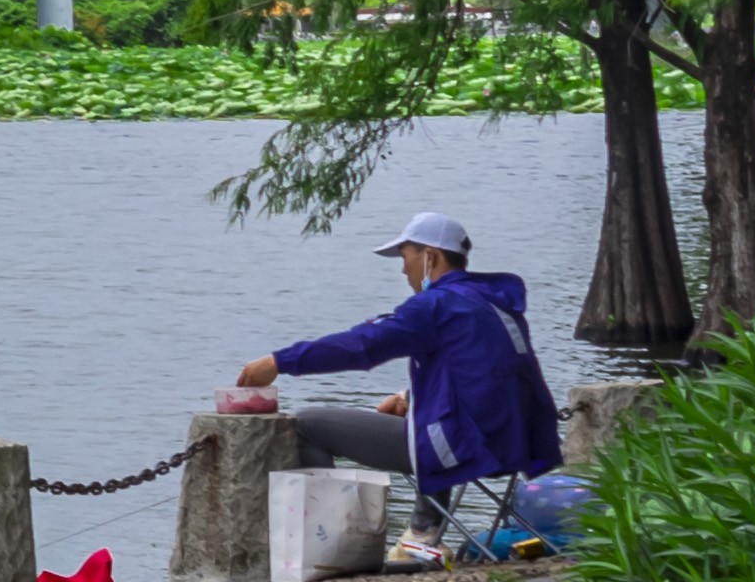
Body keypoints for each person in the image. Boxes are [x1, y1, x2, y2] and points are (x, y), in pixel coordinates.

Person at [237, 211, 560, 538]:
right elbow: (486, 374)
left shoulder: (436, 306)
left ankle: (332, 542)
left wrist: (278, 362)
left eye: (406, 257)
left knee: (306, 425)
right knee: (431, 422)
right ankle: (424, 529)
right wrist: (409, 398)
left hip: (469, 447)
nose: (403, 269)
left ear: (430, 257)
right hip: (518, 441)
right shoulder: (491, 304)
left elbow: (362, 346)